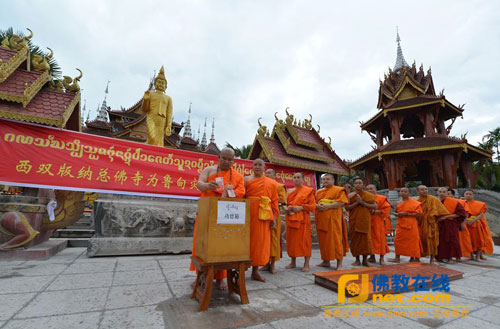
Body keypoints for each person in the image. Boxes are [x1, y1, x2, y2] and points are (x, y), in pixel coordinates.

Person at [189, 148, 245, 290]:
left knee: (222, 246)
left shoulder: (237, 176)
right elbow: (199, 184)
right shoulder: (209, 170)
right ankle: (200, 277)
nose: (227, 162)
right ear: (218, 157)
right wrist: (208, 185)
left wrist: (229, 190)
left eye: (230, 159)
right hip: (206, 213)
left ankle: (221, 278)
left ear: (234, 161)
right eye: (224, 158)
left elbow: (241, 192)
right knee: (202, 245)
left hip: (224, 215)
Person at [244, 159, 280, 282]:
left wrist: (274, 218)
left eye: (260, 165)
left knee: (260, 242)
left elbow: (274, 201)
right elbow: (241, 196)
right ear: (252, 166)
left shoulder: (271, 183)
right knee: (245, 241)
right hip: (248, 212)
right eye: (255, 164)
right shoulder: (246, 179)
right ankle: (240, 269)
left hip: (264, 214)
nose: (257, 167)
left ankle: (255, 271)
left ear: (264, 167)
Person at [315, 174, 349, 270]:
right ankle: (326, 261)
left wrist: (328, 206)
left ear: (333, 180)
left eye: (328, 179)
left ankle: (339, 263)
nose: (325, 181)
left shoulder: (339, 190)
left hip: (334, 220)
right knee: (323, 241)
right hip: (322, 218)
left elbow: (342, 202)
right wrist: (317, 206)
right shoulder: (319, 192)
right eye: (324, 179)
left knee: (336, 240)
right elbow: (314, 202)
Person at [284, 172, 316, 272]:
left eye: (298, 177)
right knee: (291, 241)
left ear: (303, 180)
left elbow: (312, 206)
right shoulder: (289, 191)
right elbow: (285, 204)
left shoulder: (308, 191)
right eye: (294, 177)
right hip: (291, 218)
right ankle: (293, 262)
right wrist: (286, 208)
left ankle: (306, 264)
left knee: (305, 242)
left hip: (303, 220)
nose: (296, 179)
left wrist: (301, 207)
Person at [347, 179, 377, 266]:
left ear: (363, 185)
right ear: (353, 185)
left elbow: (375, 206)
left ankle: (365, 260)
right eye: (356, 183)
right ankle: (357, 260)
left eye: (360, 183)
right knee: (355, 240)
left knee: (365, 241)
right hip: (354, 220)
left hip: (364, 220)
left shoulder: (368, 195)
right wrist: (357, 203)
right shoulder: (350, 195)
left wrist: (362, 202)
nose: (358, 185)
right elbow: (347, 208)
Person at [262, 168, 287, 274]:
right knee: (265, 238)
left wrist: (271, 198)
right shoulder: (262, 184)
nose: (267, 174)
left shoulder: (279, 186)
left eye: (269, 173)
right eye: (266, 173)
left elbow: (282, 200)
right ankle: (265, 263)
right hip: (263, 213)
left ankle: (272, 265)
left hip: (274, 213)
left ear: (274, 175)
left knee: (274, 239)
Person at [141, 66, 173, 147]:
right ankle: (145, 150)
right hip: (152, 117)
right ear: (155, 84)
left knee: (159, 141)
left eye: (163, 83)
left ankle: (156, 156)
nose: (160, 84)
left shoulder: (168, 98)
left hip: (162, 120)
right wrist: (145, 100)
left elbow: (169, 113)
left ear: (166, 86)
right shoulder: (150, 94)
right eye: (159, 82)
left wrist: (168, 126)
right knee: (152, 137)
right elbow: (144, 109)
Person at [389, 187, 423, 263]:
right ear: (399, 193)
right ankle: (397, 257)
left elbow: (420, 214)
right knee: (397, 241)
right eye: (402, 191)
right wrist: (397, 214)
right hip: (401, 224)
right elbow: (397, 212)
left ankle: (414, 258)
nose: (403, 192)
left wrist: (406, 214)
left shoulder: (415, 203)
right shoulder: (399, 203)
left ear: (409, 193)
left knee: (413, 242)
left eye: (405, 191)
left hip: (411, 224)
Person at [417, 185, 449, 264]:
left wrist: (435, 219)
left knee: (432, 241)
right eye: (422, 189)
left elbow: (443, 212)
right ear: (418, 191)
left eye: (426, 189)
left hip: (431, 224)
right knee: (419, 241)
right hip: (420, 224)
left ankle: (432, 258)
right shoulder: (416, 201)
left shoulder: (433, 199)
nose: (424, 191)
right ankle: (417, 257)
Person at [436, 187, 467, 263]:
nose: (442, 193)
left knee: (451, 241)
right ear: (437, 192)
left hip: (450, 224)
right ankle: (439, 257)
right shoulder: (435, 201)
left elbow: (461, 214)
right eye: (440, 192)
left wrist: (447, 216)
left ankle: (450, 258)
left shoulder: (454, 202)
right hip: (438, 224)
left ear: (447, 193)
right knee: (439, 241)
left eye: (444, 192)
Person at [464, 190, 494, 260]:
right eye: (466, 194)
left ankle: (478, 256)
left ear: (473, 195)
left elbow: (481, 214)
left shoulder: (479, 204)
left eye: (470, 194)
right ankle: (471, 255)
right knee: (469, 240)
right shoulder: (462, 203)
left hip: (476, 224)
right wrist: (466, 221)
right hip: (466, 224)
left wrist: (472, 221)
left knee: (479, 240)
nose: (468, 195)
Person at [366, 184, 391, 265]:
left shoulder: (382, 198)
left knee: (380, 240)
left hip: (378, 222)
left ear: (375, 189)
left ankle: (381, 258)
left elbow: (386, 209)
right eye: (368, 189)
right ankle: (372, 257)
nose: (369, 190)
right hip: (368, 221)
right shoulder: (365, 198)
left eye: (371, 189)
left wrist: (375, 212)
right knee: (369, 240)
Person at [447, 188, 473, 259]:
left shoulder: (460, 202)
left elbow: (466, 213)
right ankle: (449, 255)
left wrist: (462, 223)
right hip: (447, 224)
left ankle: (459, 256)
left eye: (448, 194)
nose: (447, 195)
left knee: (461, 241)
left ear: (453, 195)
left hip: (459, 223)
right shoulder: (443, 201)